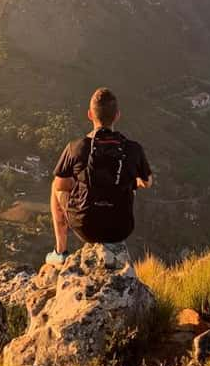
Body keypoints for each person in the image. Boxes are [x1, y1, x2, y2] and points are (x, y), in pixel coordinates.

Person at [46, 87, 153, 264]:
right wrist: (131, 178)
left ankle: (61, 252)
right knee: (130, 184)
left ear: (89, 115)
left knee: (55, 186)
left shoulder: (76, 147)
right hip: (121, 228)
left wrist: (79, 186)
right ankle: (114, 248)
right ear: (117, 115)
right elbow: (147, 182)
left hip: (86, 227)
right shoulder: (133, 149)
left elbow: (60, 185)